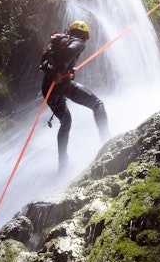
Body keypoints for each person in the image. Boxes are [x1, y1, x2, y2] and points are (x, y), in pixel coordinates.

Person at [40, 20, 109, 171]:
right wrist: (61, 70)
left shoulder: (56, 45)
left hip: (48, 90)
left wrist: (67, 69)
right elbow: (68, 53)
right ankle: (108, 143)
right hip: (62, 85)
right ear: (85, 34)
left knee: (66, 122)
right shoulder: (78, 42)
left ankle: (63, 163)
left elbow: (44, 63)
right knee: (97, 104)